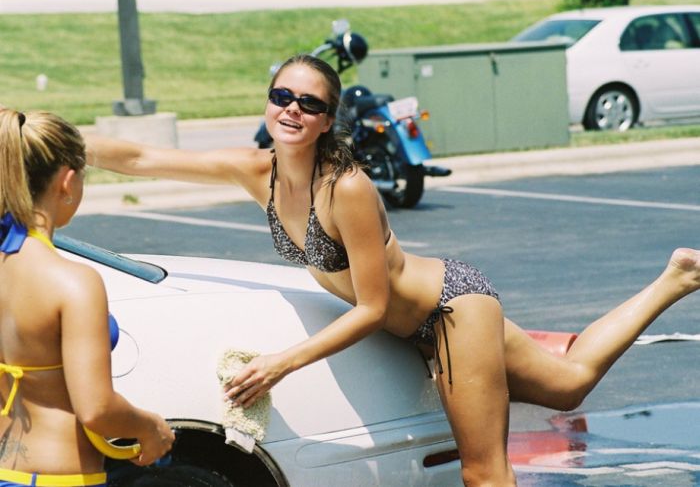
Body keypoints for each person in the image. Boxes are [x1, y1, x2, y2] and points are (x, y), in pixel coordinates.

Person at [84, 55, 700, 487]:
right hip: (424, 317)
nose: (291, 110)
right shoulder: (256, 170)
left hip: (449, 310)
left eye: (309, 103)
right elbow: (141, 156)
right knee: (566, 385)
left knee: (483, 472)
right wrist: (47, 135)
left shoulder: (345, 187)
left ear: (328, 119)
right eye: (281, 97)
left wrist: (280, 362)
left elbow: (374, 308)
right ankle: (677, 278)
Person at [0, 108, 174, 487]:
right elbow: (97, 410)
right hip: (57, 475)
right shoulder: (73, 282)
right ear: (67, 181)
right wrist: (152, 428)